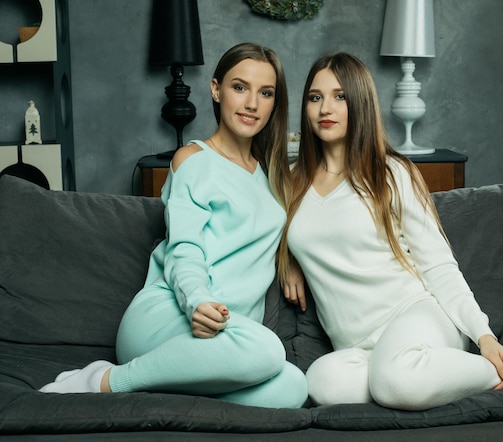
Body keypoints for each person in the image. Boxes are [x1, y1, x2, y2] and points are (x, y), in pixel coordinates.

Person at [279, 52, 503, 411]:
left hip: (416, 317)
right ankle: (406, 377)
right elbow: (277, 232)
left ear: (359, 102)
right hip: (356, 345)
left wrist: (483, 337)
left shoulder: (390, 174)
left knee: (396, 381)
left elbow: (438, 265)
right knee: (322, 383)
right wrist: (286, 260)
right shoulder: (292, 182)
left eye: (340, 96)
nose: (325, 107)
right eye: (315, 97)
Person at [40, 43, 308, 408]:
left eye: (266, 93)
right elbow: (185, 249)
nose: (251, 104)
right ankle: (104, 380)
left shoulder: (271, 175)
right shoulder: (194, 160)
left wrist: (289, 258)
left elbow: (269, 232)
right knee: (268, 351)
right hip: (172, 316)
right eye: (239, 87)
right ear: (216, 89)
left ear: (275, 102)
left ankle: (170, 383)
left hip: (228, 337)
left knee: (293, 387)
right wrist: (197, 302)